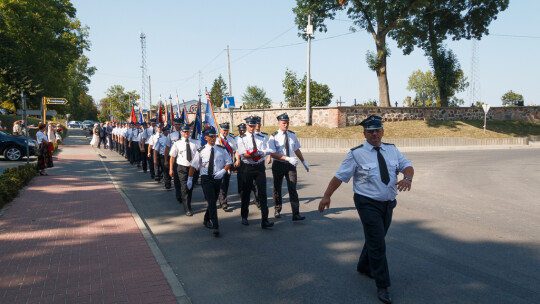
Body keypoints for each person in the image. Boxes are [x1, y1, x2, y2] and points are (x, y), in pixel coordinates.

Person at [318, 115, 414, 304]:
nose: (375, 134)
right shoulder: (356, 154)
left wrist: (407, 179)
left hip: (388, 203)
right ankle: (383, 285)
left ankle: (363, 265)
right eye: (370, 131)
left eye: (377, 130)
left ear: (383, 132)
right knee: (378, 242)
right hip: (367, 202)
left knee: (376, 237)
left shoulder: (392, 150)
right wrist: (327, 195)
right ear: (364, 134)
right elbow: (340, 176)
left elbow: (407, 166)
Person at [187, 126, 232, 237]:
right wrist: (190, 178)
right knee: (211, 201)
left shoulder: (221, 149)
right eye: (210, 137)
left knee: (213, 200)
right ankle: (216, 226)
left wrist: (223, 171)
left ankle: (206, 218)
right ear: (205, 137)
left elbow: (229, 162)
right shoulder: (201, 151)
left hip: (217, 177)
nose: (213, 138)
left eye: (214, 136)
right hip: (206, 178)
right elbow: (193, 166)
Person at [268, 113, 309, 220]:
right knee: (277, 188)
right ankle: (277, 209)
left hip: (291, 165)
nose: (286, 125)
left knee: (292, 188)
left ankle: (295, 213)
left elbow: (296, 149)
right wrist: (286, 158)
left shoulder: (292, 135)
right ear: (279, 123)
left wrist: (303, 161)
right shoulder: (273, 137)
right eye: (284, 123)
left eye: (287, 123)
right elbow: (272, 153)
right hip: (278, 164)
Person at [236, 116, 274, 229]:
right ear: (246, 125)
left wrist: (263, 152)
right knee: (246, 193)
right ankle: (244, 216)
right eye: (250, 126)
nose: (253, 128)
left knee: (262, 193)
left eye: (254, 125)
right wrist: (256, 153)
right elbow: (244, 154)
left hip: (259, 167)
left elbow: (269, 149)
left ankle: (265, 220)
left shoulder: (263, 137)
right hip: (247, 167)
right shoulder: (241, 138)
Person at [169, 124, 200, 216]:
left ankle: (187, 202)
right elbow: (172, 157)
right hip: (182, 167)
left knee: (190, 186)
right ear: (181, 132)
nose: (186, 133)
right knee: (184, 187)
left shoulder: (196, 142)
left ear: (190, 132)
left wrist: (199, 165)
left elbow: (200, 155)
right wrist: (171, 169)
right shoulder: (177, 143)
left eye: (188, 131)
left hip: (193, 168)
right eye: (184, 131)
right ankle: (187, 208)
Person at [216, 122, 237, 211]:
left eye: (227, 130)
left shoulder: (231, 138)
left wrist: (237, 160)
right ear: (220, 129)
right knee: (222, 183)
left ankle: (222, 198)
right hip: (220, 164)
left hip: (229, 164)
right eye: (224, 130)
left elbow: (236, 150)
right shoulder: (216, 138)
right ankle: (223, 202)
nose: (225, 132)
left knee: (226, 183)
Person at [165, 119, 185, 197]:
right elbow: (167, 148)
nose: (178, 126)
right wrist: (166, 160)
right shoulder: (171, 135)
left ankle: (184, 193)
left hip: (184, 157)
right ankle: (179, 194)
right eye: (176, 124)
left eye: (179, 124)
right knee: (176, 177)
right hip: (174, 158)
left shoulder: (186, 134)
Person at [235, 123, 247, 194]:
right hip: (239, 158)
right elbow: (235, 150)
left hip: (247, 158)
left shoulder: (248, 137)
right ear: (238, 130)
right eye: (241, 130)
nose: (242, 131)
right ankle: (240, 189)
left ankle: (246, 189)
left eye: (243, 130)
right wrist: (237, 160)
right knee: (240, 175)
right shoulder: (236, 138)